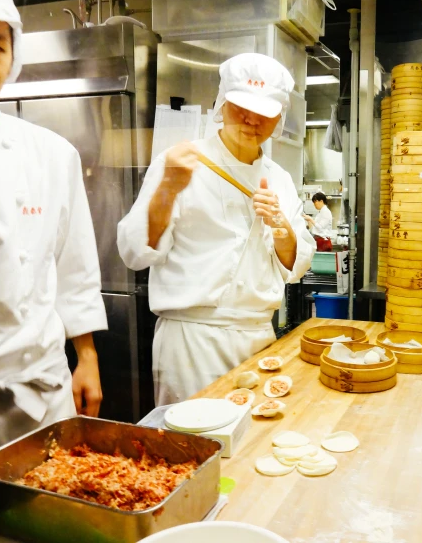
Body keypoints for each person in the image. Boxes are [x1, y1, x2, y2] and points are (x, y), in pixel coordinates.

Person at [0, 0, 107, 540]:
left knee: (58, 525)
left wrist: (86, 356)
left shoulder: (51, 152)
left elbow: (73, 262)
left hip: (43, 393)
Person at [118, 53, 315, 405]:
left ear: (279, 118)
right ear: (222, 103)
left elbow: (296, 266)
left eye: (265, 113)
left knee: (252, 446)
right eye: (241, 107)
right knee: (189, 447)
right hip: (191, 341)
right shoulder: (179, 161)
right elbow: (134, 253)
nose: (251, 120)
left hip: (257, 335)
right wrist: (167, 189)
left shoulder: (281, 180)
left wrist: (281, 226)